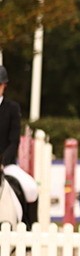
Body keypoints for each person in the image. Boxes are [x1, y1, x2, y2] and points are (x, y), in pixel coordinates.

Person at [0, 65, 38, 228]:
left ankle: (30, 229)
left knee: (31, 187)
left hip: (6, 165)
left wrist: (3, 161)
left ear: (4, 86)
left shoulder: (12, 108)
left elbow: (13, 140)